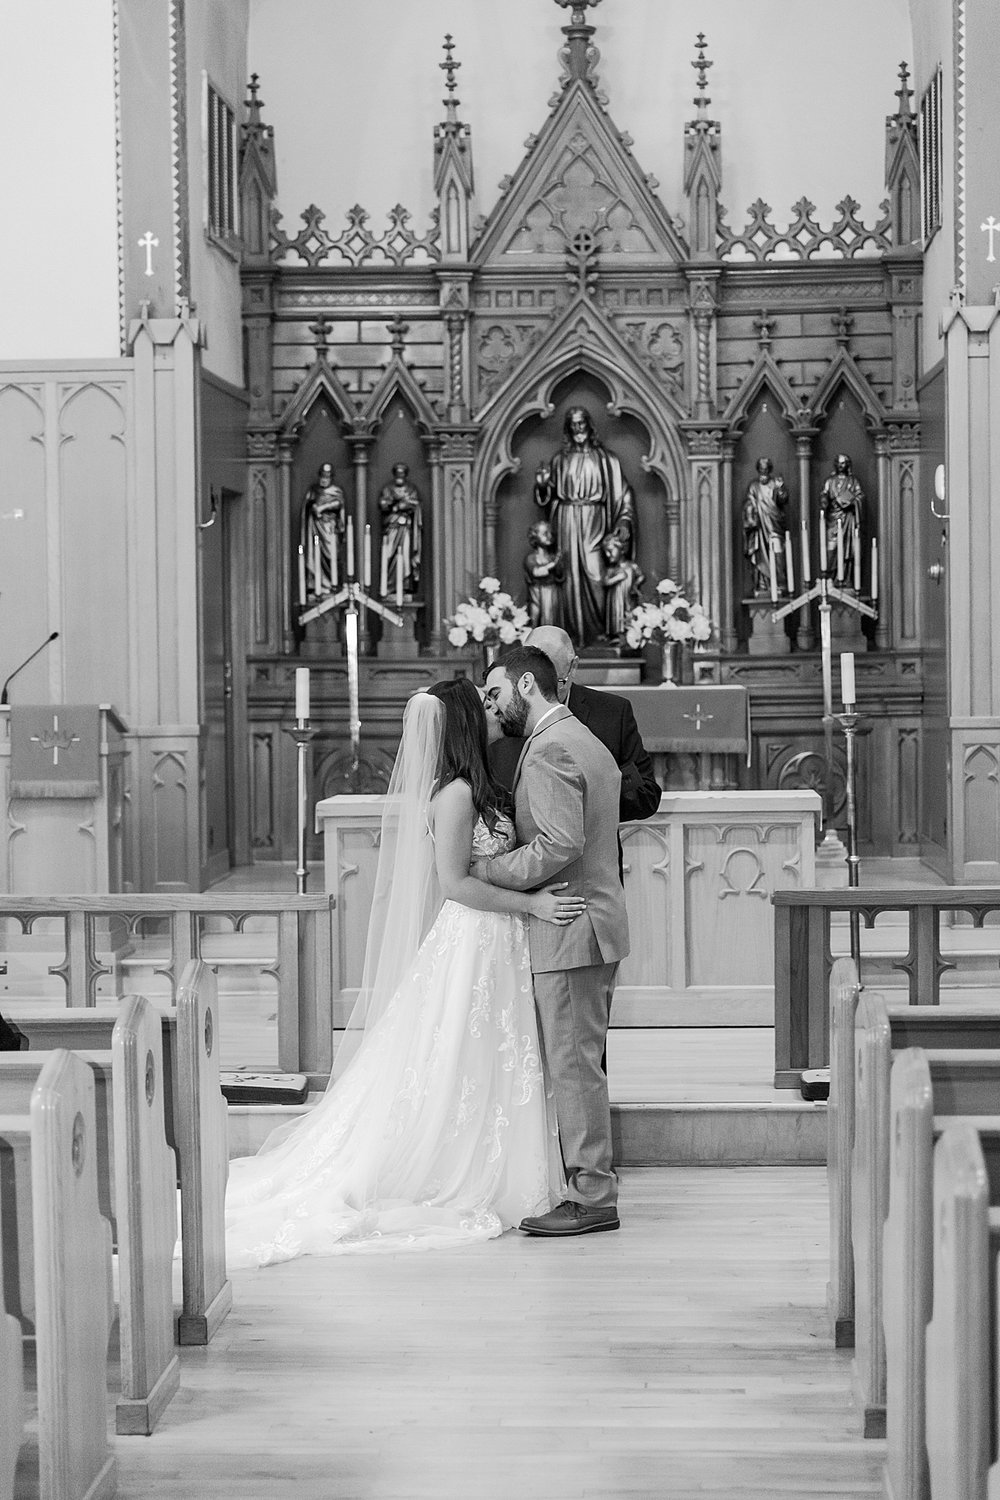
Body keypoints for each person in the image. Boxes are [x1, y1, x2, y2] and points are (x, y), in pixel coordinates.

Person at [224, 680, 585, 1266]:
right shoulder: (456, 795)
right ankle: (454, 1168)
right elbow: (457, 885)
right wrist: (533, 905)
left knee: (488, 1055)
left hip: (495, 942)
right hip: (475, 938)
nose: (495, 708)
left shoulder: (475, 786)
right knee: (461, 1059)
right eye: (485, 704)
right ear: (468, 721)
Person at [478, 646, 630, 1236]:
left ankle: (592, 1195)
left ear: (526, 684)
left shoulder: (550, 748)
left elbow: (558, 845)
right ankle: (587, 1185)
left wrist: (483, 872)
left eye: (496, 694)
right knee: (580, 1062)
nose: (493, 706)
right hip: (592, 921)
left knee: (572, 1066)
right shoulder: (581, 736)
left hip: (570, 928)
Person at [488, 625, 661, 832]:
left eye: (557, 682)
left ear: (573, 667)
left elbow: (646, 795)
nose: (542, 692)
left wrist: (577, 799)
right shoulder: (498, 714)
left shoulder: (612, 712)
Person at [534, 406, 636, 646]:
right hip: (566, 521)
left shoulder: (607, 460)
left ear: (590, 426)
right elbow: (548, 500)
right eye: (573, 425)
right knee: (568, 578)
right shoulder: (560, 460)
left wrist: (623, 520)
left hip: (595, 521)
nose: (578, 429)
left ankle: (602, 634)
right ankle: (571, 638)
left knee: (596, 575)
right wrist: (542, 486)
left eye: (582, 424)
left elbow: (623, 494)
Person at [742, 456, 789, 597]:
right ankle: (763, 584)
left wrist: (781, 489)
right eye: (761, 469)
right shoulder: (754, 486)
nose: (764, 472)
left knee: (778, 554)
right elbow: (749, 503)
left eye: (766, 469)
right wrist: (751, 512)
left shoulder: (775, 484)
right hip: (760, 528)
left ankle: (779, 583)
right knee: (760, 555)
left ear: (769, 470)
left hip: (774, 527)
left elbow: (783, 500)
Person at [300, 462, 346, 598]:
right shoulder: (313, 491)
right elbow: (306, 507)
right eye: (322, 476)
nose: (324, 479)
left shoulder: (336, 491)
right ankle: (317, 585)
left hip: (330, 528)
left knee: (332, 556)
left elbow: (339, 504)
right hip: (316, 528)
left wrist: (322, 508)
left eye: (327, 477)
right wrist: (311, 507)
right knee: (315, 556)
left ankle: (332, 585)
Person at [377, 461, 422, 597]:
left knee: (404, 557)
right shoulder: (388, 488)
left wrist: (402, 505)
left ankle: (405, 584)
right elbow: (383, 504)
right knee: (390, 554)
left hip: (405, 528)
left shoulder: (411, 489)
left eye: (402, 473)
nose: (399, 476)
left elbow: (415, 504)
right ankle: (390, 586)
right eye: (397, 473)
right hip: (392, 527)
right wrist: (394, 504)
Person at [819, 453, 864, 583]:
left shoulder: (853, 481)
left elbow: (860, 496)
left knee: (847, 549)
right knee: (830, 550)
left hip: (847, 521)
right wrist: (824, 500)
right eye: (838, 463)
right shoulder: (830, 481)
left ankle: (845, 579)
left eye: (843, 463)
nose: (840, 465)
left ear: (847, 465)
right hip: (832, 520)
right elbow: (824, 495)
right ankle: (829, 579)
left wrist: (852, 502)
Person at [600, 533, 644, 642]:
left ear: (622, 550)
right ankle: (614, 634)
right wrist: (618, 578)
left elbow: (641, 576)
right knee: (615, 614)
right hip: (615, 599)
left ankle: (627, 635)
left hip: (627, 597)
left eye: (610, 551)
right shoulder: (611, 570)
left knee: (628, 613)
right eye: (606, 552)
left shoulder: (631, 566)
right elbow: (605, 582)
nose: (608, 555)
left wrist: (635, 585)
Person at [523, 519, 565, 628]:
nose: (549, 536)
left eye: (550, 533)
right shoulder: (531, 558)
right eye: (545, 534)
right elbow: (536, 572)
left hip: (552, 591)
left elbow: (560, 575)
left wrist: (559, 565)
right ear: (535, 537)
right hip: (537, 592)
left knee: (551, 619)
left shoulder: (552, 556)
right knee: (535, 618)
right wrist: (553, 564)